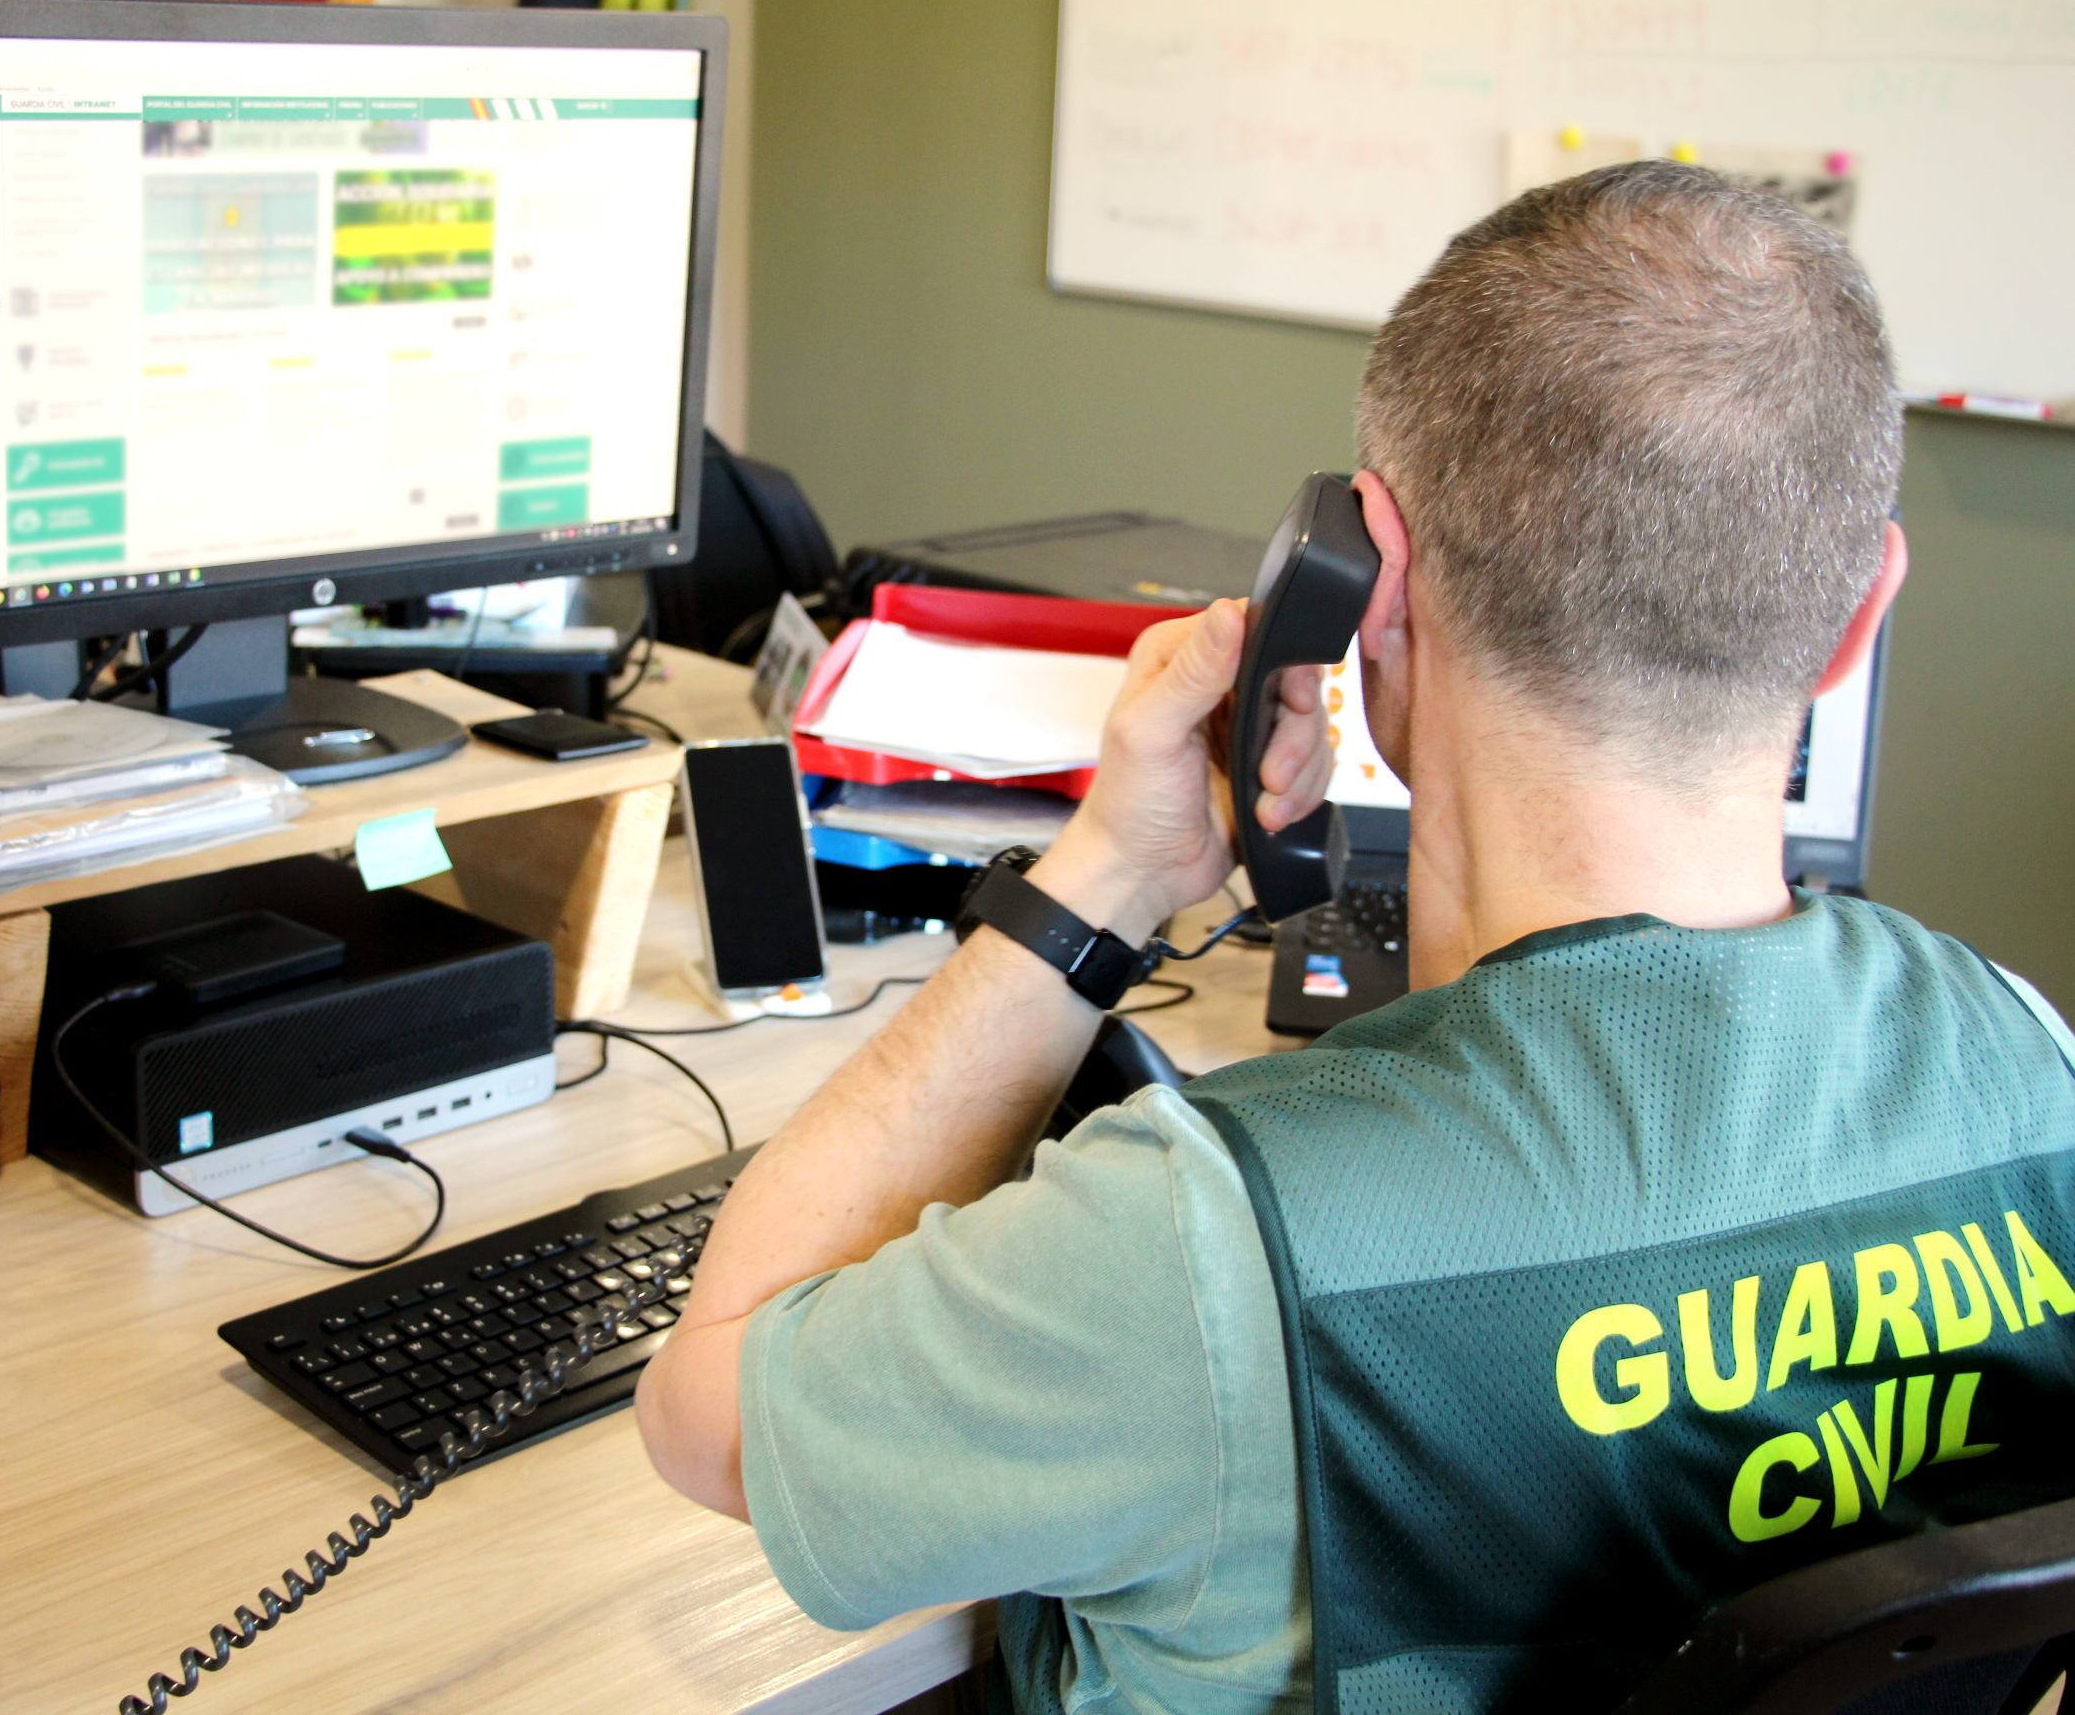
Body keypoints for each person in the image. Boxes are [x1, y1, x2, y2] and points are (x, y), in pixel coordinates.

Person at [632, 160, 2075, 1715]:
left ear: (1365, 586)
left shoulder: (1205, 1243)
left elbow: (707, 1414)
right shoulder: (2030, 1062)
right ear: (1865, 612)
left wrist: (1107, 872)